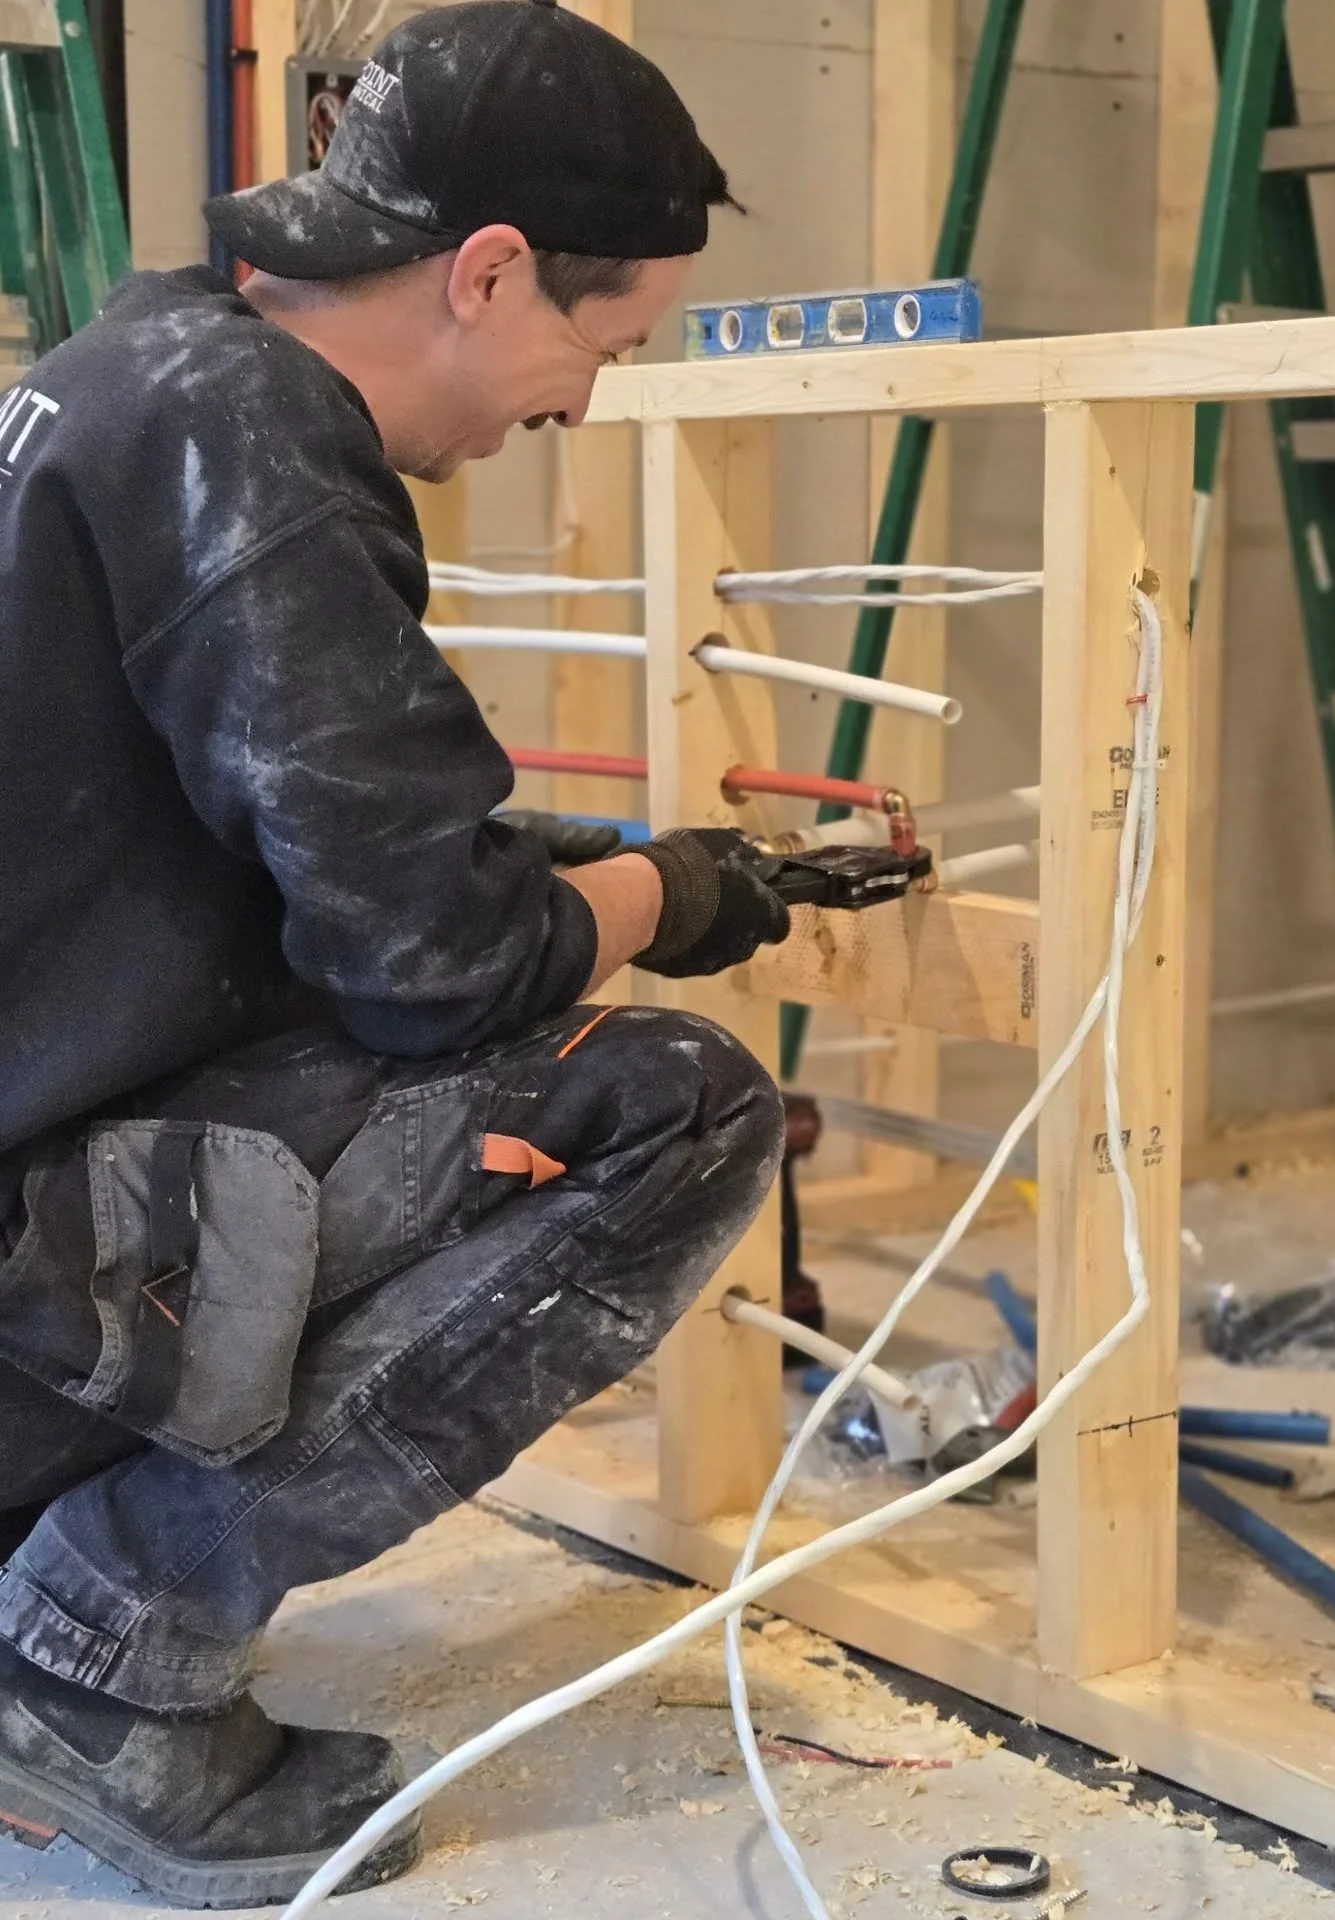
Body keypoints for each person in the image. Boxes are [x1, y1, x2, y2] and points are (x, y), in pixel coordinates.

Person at [0, 3, 790, 1903]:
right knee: (676, 1105)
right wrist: (664, 897)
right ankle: (101, 1653)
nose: (582, 406)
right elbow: (431, 967)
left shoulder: (144, 358)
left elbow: (261, 842)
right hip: (28, 1237)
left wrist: (542, 863)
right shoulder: (255, 455)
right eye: (599, 348)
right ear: (490, 270)